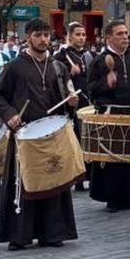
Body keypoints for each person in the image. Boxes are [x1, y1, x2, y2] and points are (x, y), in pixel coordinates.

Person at [0, 19, 80, 251]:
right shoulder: (14, 66)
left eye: (46, 35)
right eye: (37, 35)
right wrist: (11, 115)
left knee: (53, 180)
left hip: (51, 133)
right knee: (21, 183)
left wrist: (72, 102)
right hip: (24, 133)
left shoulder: (58, 67)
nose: (43, 39)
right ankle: (19, 235)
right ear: (28, 37)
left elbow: (65, 98)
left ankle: (52, 233)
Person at [85, 20, 130, 212]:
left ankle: (129, 197)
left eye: (126, 33)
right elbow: (90, 90)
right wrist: (106, 83)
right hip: (111, 112)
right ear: (109, 38)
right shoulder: (100, 60)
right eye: (120, 34)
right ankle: (112, 198)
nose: (125, 37)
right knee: (112, 157)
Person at [54, 22, 95, 192]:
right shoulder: (60, 57)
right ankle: (76, 178)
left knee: (89, 140)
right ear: (69, 37)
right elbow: (55, 79)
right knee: (75, 141)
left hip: (87, 102)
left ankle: (89, 176)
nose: (81, 38)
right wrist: (68, 73)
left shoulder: (88, 55)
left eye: (84, 35)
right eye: (78, 34)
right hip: (71, 105)